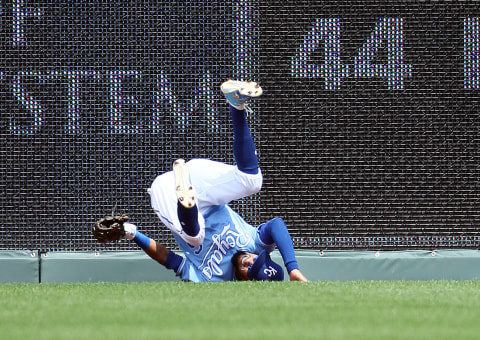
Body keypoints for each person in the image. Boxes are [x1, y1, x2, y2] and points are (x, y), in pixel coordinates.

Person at [121, 79, 308, 282]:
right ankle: (236, 104)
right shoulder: (255, 244)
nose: (251, 261)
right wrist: (292, 268)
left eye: (252, 270)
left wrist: (134, 235)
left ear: (247, 283)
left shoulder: (212, 279)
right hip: (198, 182)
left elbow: (172, 261)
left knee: (195, 236)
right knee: (252, 181)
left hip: (168, 195)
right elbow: (276, 225)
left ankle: (186, 202)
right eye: (258, 260)